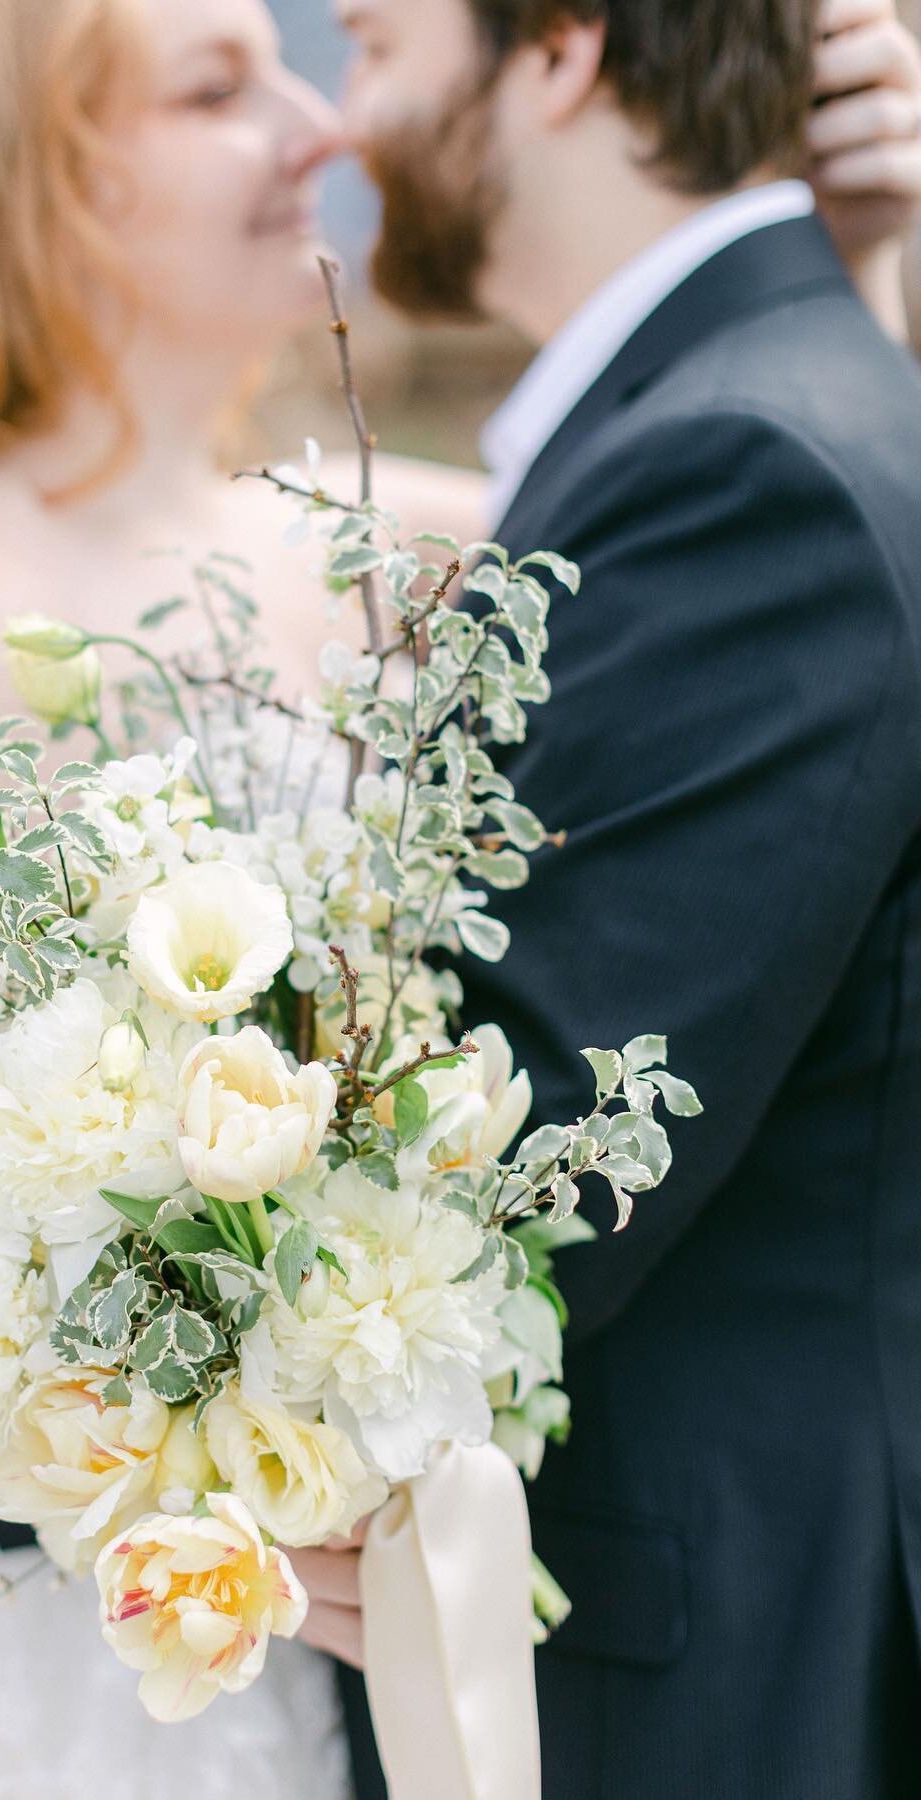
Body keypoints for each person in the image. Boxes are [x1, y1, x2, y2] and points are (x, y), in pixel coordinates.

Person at [0, 0, 915, 1794]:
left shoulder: (391, 544)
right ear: (35, 178)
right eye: (217, 89)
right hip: (21, 1612)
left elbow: (768, 512)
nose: (319, 130)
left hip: (298, 1624)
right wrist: (172, 1469)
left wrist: (841, 255)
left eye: (297, 64)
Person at [314, 0, 921, 1794]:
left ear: (563, 47)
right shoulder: (748, 409)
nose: (347, 120)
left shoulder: (750, 470)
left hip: (706, 1678)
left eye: (374, 43)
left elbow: (522, 1163)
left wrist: (57, 1406)